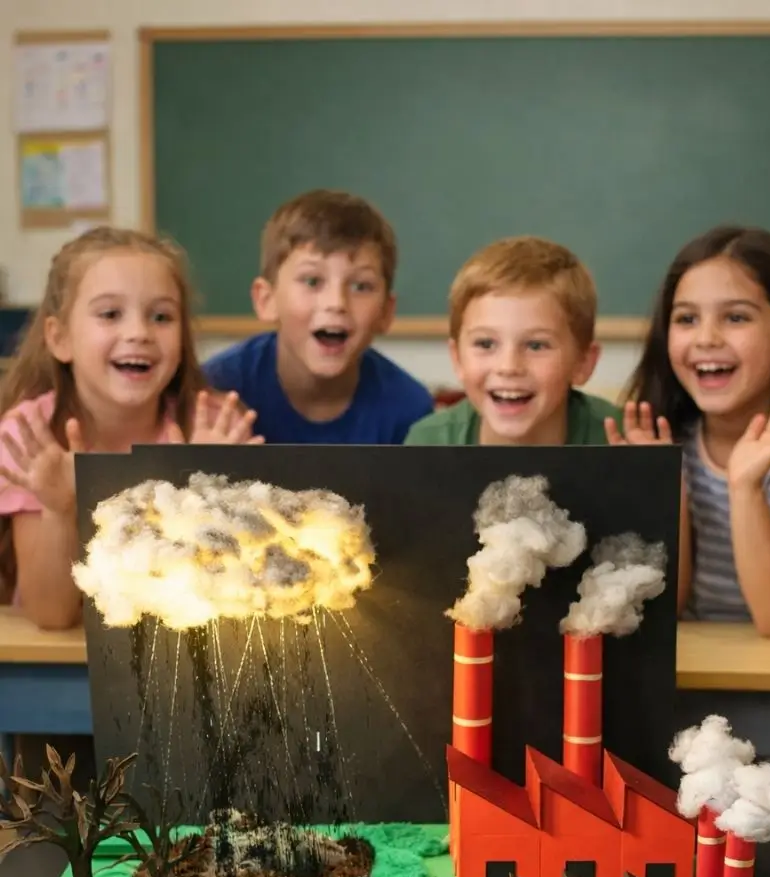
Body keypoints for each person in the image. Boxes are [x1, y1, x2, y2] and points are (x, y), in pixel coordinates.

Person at [0, 225, 262, 631]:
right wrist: (57, 510)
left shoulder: (211, 426)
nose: (139, 333)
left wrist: (207, 496)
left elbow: (226, 604)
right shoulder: (32, 435)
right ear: (60, 338)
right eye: (110, 314)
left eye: (161, 316)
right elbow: (52, 615)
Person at [607, 224, 770, 636]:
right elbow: (669, 607)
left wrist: (745, 488)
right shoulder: (663, 440)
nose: (706, 338)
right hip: (696, 674)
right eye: (686, 319)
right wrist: (668, 485)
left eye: (736, 317)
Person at [202, 189, 433, 443]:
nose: (336, 303)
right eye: (312, 281)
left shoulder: (410, 409)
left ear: (386, 312)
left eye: (361, 286)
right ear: (266, 300)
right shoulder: (216, 390)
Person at [404, 236, 621, 446]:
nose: (508, 367)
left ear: (583, 362)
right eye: (486, 344)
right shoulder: (430, 444)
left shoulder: (621, 440)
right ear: (457, 358)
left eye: (536, 345)